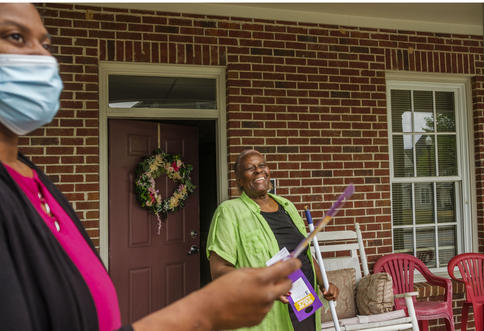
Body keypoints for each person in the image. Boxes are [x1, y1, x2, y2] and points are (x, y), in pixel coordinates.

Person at [0, 3, 301, 331]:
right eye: (16, 37)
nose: (43, 58)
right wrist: (201, 314)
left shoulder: (33, 180)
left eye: (46, 44)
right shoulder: (230, 213)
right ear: (237, 176)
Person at [206, 149, 339, 331]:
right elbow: (219, 271)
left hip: (303, 306)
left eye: (262, 166)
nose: (259, 171)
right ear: (239, 179)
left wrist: (325, 283)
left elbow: (304, 253)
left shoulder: (288, 206)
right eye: (250, 168)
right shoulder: (229, 212)